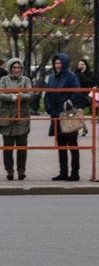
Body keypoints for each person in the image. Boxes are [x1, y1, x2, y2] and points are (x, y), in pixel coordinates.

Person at [44, 52, 83, 181]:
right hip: (55, 115)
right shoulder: (51, 78)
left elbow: (77, 94)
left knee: (72, 144)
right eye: (56, 63)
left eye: (60, 62)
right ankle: (63, 172)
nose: (58, 65)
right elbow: (47, 95)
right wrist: (49, 108)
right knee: (61, 145)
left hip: (68, 115)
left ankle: (75, 172)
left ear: (64, 63)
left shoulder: (71, 77)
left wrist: (65, 106)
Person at [0, 57, 33, 180]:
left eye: (19, 67)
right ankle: (9, 170)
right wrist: (12, 97)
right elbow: (0, 94)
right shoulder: (4, 79)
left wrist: (19, 95)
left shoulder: (26, 80)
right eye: (14, 67)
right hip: (7, 117)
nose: (17, 70)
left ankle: (21, 170)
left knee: (22, 146)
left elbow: (30, 94)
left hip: (22, 117)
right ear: (10, 68)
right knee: (8, 146)